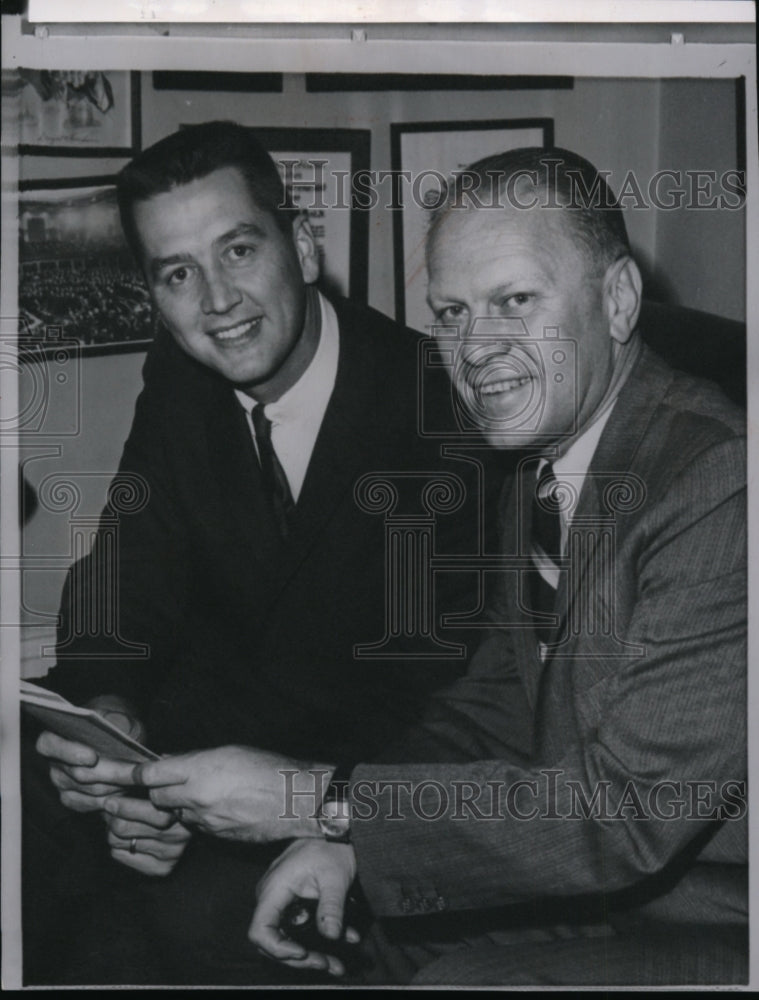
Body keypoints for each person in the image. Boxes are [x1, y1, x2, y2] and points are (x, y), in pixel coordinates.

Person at [134, 146, 745, 986]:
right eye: (451, 313)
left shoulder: (718, 481)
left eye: (515, 301)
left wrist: (320, 798)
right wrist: (345, 838)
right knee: (249, 924)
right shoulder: (537, 459)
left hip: (714, 915)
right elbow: (492, 706)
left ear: (617, 299)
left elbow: (626, 813)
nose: (475, 349)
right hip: (590, 889)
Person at [23, 121, 500, 985]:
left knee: (182, 921)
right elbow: (124, 574)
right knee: (29, 799)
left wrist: (203, 802)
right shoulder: (180, 374)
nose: (216, 300)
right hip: (190, 748)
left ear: (303, 246)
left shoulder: (439, 408)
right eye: (178, 273)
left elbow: (448, 701)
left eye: (238, 249)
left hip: (338, 783)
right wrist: (112, 726)